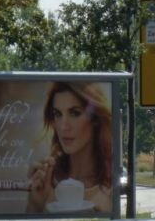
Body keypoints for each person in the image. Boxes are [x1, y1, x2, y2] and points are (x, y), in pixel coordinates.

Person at [26, 82, 113, 213]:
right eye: (58, 114)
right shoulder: (46, 179)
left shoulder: (111, 184)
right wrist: (35, 205)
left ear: (95, 119)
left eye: (75, 113)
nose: (63, 126)